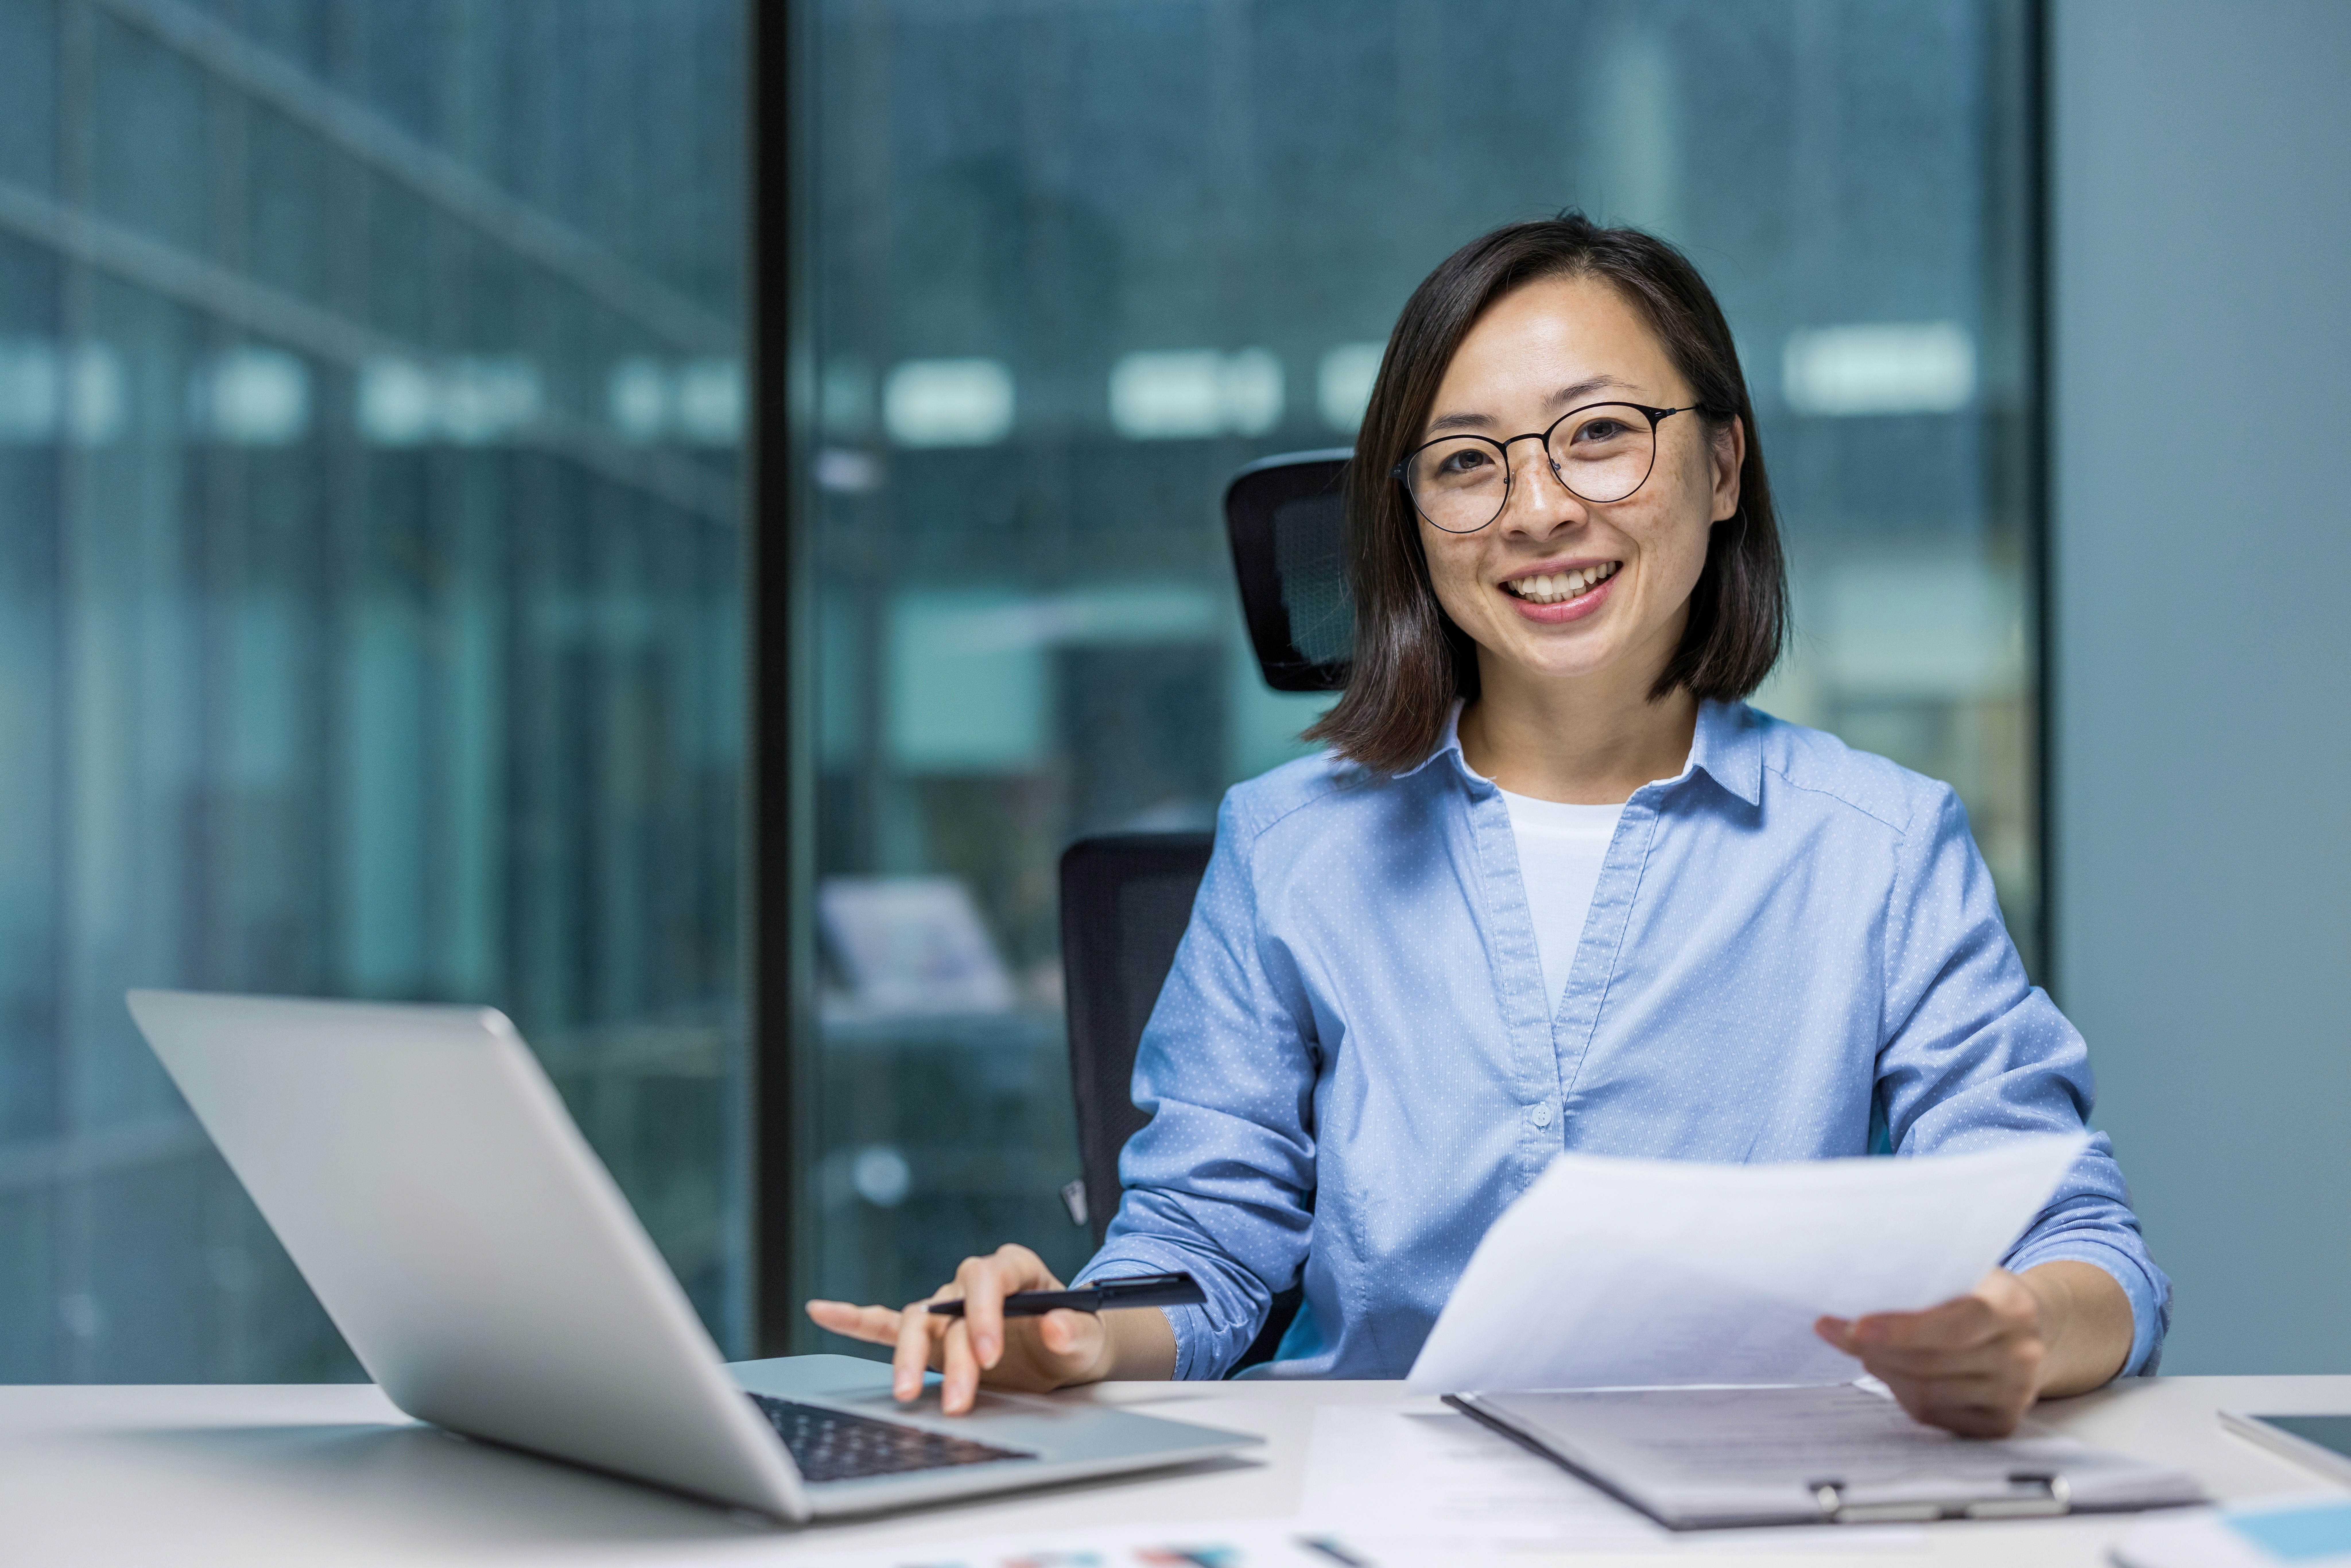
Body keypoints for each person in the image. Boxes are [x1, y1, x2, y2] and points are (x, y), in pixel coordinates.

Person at [808, 214, 2168, 1439]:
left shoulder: (1877, 845)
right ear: (1414, 521)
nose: (1535, 510)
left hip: (1752, 1511)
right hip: (1374, 1508)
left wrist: (2021, 1330)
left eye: (1598, 433)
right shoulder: (1289, 847)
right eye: (1466, 462)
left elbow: (2079, 1242)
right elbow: (1204, 1251)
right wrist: (1065, 1337)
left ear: (1720, 467)